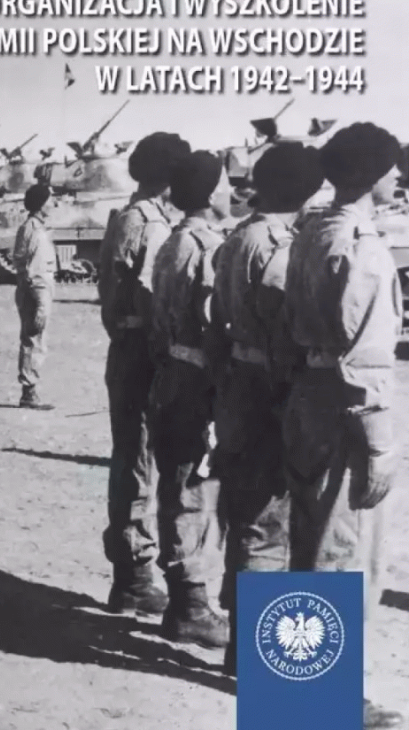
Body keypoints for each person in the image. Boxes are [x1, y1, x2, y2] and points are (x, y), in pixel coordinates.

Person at [283, 123, 404, 730]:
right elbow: (368, 359)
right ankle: (319, 704)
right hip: (346, 407)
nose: (398, 177)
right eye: (391, 168)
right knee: (344, 552)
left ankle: (297, 686)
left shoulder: (311, 230)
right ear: (371, 175)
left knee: (309, 542)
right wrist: (380, 443)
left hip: (310, 394)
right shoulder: (362, 246)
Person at [210, 143, 325, 674]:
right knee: (268, 523)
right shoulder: (276, 245)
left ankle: (241, 647)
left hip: (239, 383)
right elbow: (281, 330)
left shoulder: (240, 235)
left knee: (246, 517)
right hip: (267, 390)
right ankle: (257, 660)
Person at [97, 132, 191, 615]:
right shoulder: (149, 222)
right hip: (144, 352)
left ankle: (131, 575)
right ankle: (134, 577)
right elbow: (151, 298)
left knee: (133, 459)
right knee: (140, 463)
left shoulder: (128, 216)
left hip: (128, 348)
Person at [149, 150, 228, 648]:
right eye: (225, 183)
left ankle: (185, 599)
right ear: (211, 192)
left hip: (173, 372)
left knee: (178, 483)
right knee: (192, 488)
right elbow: (216, 322)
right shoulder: (207, 246)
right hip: (199, 378)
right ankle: (191, 606)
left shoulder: (173, 240)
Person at [12, 183, 57, 409]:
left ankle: (29, 388)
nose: (54, 204)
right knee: (34, 340)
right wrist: (41, 305)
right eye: (50, 200)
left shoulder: (32, 227)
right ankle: (29, 391)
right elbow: (35, 270)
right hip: (37, 290)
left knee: (34, 339)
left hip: (33, 288)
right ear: (41, 204)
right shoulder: (35, 231)